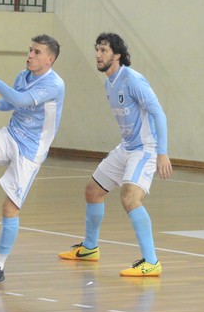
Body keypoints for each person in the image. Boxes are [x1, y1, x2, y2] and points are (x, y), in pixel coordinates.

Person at [58, 32, 172, 277]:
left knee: (130, 198)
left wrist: (162, 153)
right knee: (93, 191)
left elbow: (159, 114)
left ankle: (151, 261)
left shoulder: (133, 80)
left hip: (145, 149)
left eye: (104, 50)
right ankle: (90, 248)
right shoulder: (109, 82)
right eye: (97, 50)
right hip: (127, 147)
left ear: (117, 55)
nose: (98, 55)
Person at [0, 34, 64, 285]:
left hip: (31, 150)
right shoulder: (23, 76)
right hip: (11, 135)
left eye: (37, 52)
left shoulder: (54, 84)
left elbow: (21, 100)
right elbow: (13, 102)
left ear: (50, 59)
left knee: (10, 209)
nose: (30, 55)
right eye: (30, 50)